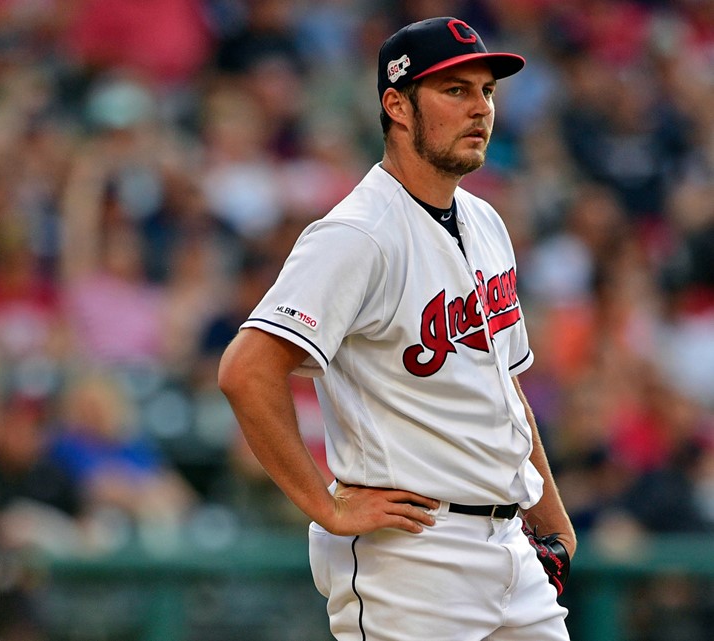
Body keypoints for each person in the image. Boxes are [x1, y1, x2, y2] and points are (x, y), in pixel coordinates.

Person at [217, 17, 576, 640]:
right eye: (455, 91)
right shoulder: (357, 232)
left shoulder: (485, 219)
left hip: (509, 546)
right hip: (412, 558)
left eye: (486, 92)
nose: (480, 109)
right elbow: (246, 371)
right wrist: (324, 505)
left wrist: (549, 514)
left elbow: (504, 385)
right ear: (397, 104)